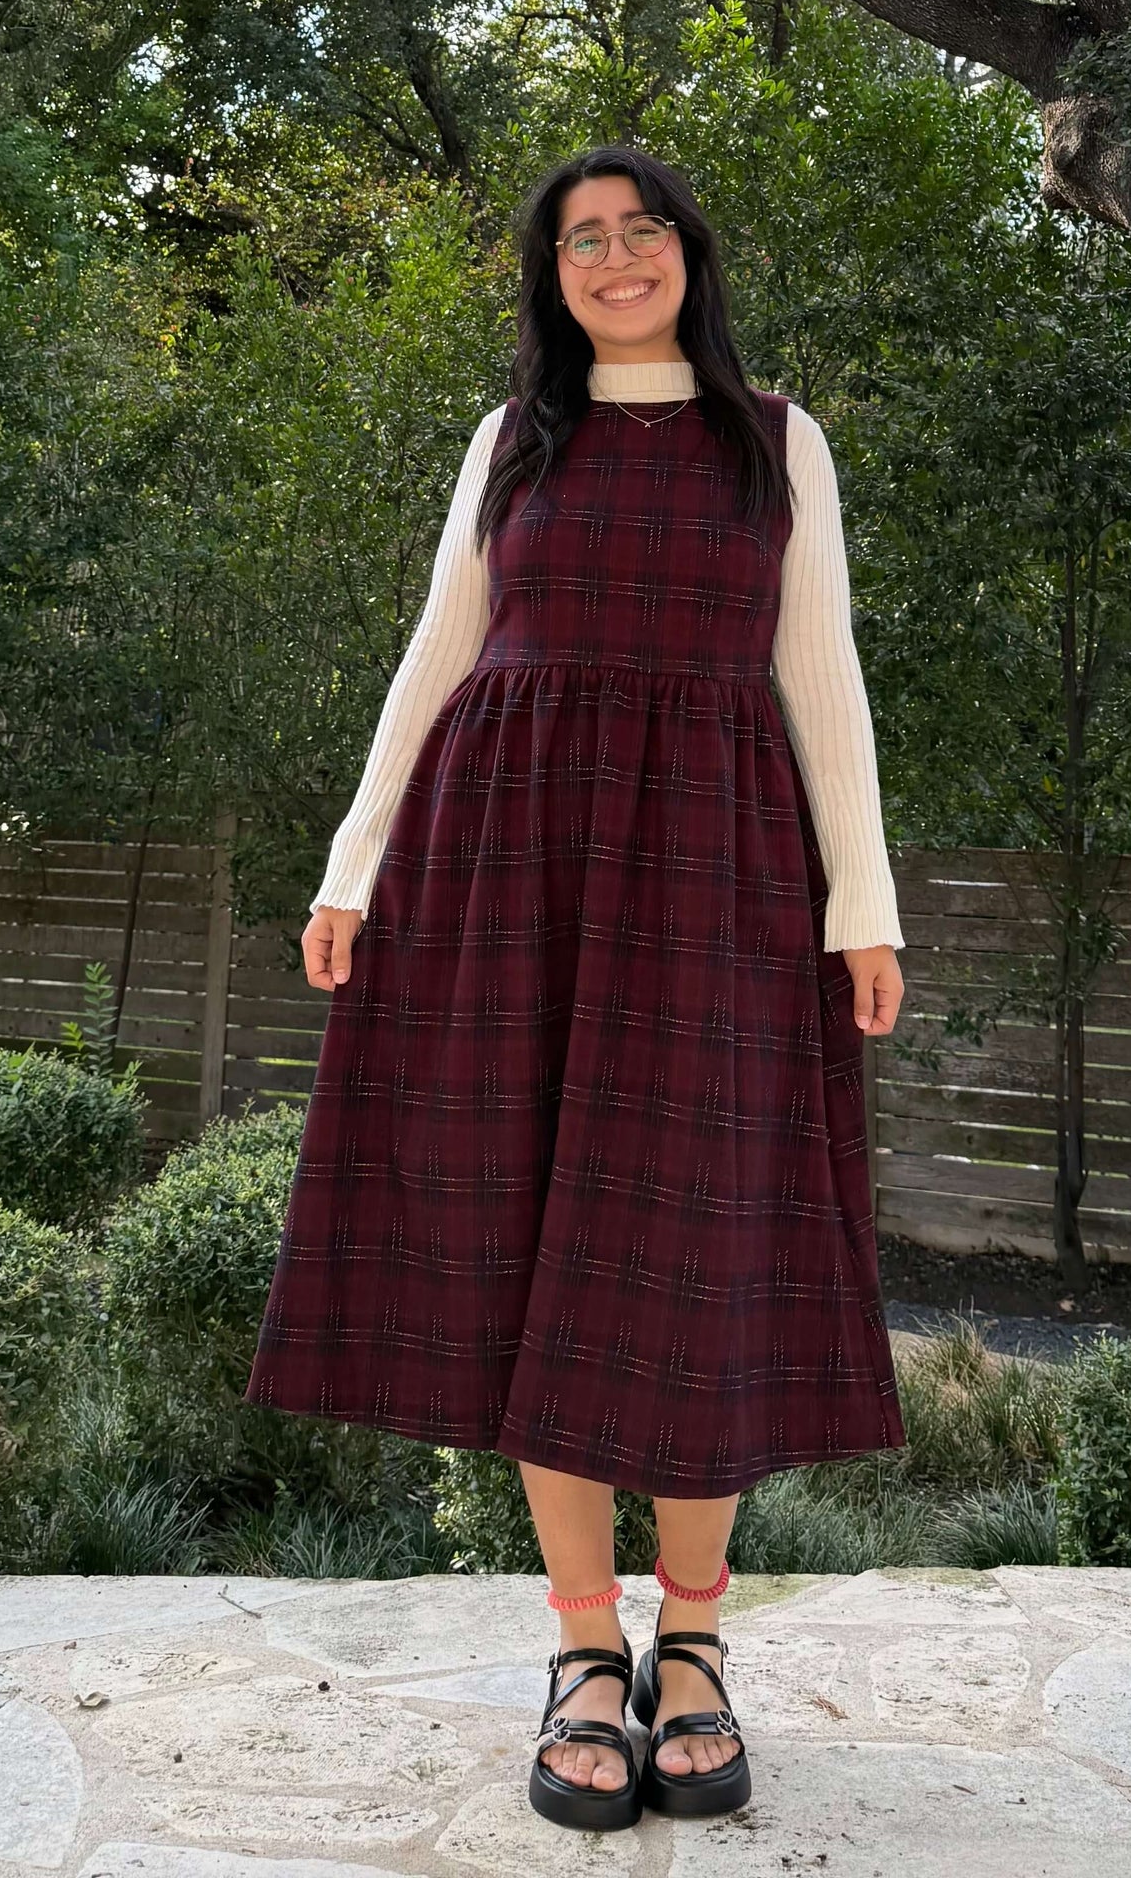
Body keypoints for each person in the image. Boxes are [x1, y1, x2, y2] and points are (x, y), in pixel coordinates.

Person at [245, 143, 907, 1831]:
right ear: (552, 277)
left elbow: (820, 667)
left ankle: (697, 1642)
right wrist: (351, 859)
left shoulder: (779, 440)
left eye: (642, 229)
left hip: (718, 871)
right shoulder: (510, 440)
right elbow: (438, 652)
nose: (616, 258)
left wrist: (864, 902)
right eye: (581, 240)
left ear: (690, 250)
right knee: (530, 1240)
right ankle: (581, 1650)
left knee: (691, 1253)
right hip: (509, 859)